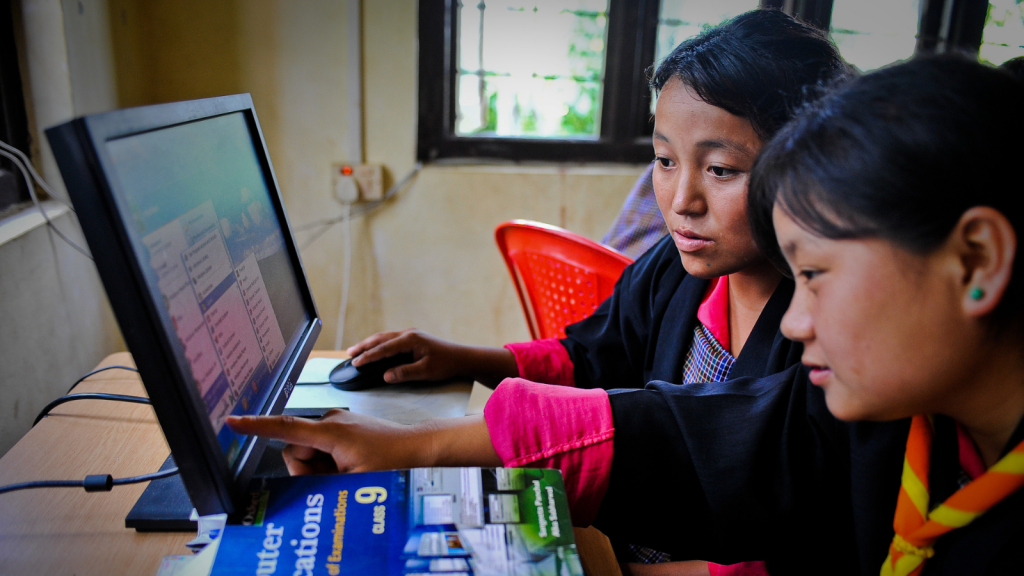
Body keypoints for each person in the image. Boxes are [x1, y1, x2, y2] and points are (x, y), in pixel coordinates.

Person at [230, 56, 1024, 574]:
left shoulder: (861, 394)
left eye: (815, 275)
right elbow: (678, 434)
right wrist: (415, 448)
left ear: (978, 262)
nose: (794, 319)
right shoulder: (890, 416)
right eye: (664, 159)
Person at [345, 11, 848, 572]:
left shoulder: (827, 340)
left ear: (805, 169)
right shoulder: (676, 268)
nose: (682, 199)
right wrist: (461, 358)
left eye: (722, 169)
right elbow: (592, 357)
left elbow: (779, 513)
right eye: (663, 160)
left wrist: (617, 570)